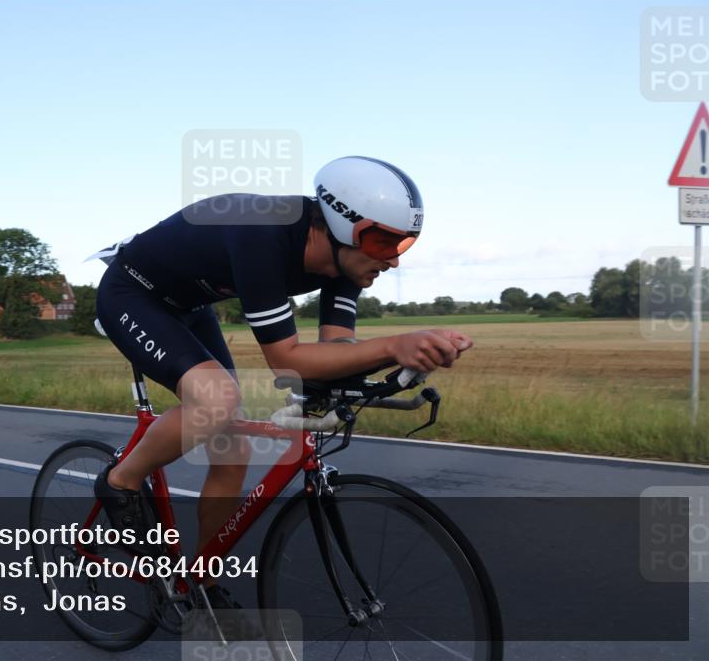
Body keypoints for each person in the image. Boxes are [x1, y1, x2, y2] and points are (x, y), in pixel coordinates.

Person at [92, 156, 472, 610]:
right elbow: (286, 360)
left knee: (233, 448)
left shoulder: (346, 264)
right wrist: (394, 345)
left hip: (192, 307)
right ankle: (121, 482)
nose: (392, 259)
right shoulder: (263, 231)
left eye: (404, 243)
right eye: (383, 240)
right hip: (133, 294)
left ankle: (200, 581)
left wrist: (405, 362)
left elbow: (334, 353)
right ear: (338, 223)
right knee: (217, 400)